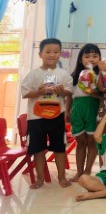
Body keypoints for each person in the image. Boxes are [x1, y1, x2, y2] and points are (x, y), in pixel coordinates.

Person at [20, 38, 73, 189]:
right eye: (48, 51)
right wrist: (39, 91)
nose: (52, 55)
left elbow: (69, 92)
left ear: (60, 54)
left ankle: (62, 177)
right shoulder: (33, 74)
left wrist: (61, 91)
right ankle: (40, 179)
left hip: (57, 116)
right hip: (36, 118)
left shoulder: (64, 74)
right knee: (38, 148)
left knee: (59, 147)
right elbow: (25, 93)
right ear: (40, 54)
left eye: (56, 52)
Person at [66, 43, 102, 182]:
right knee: (80, 142)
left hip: (93, 109)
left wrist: (93, 92)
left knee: (92, 141)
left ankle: (87, 171)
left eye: (95, 56)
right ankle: (79, 172)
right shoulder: (74, 77)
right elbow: (69, 96)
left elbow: (103, 95)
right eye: (87, 56)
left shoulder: (100, 76)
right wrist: (67, 111)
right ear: (81, 60)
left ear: (99, 59)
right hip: (78, 110)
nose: (91, 59)